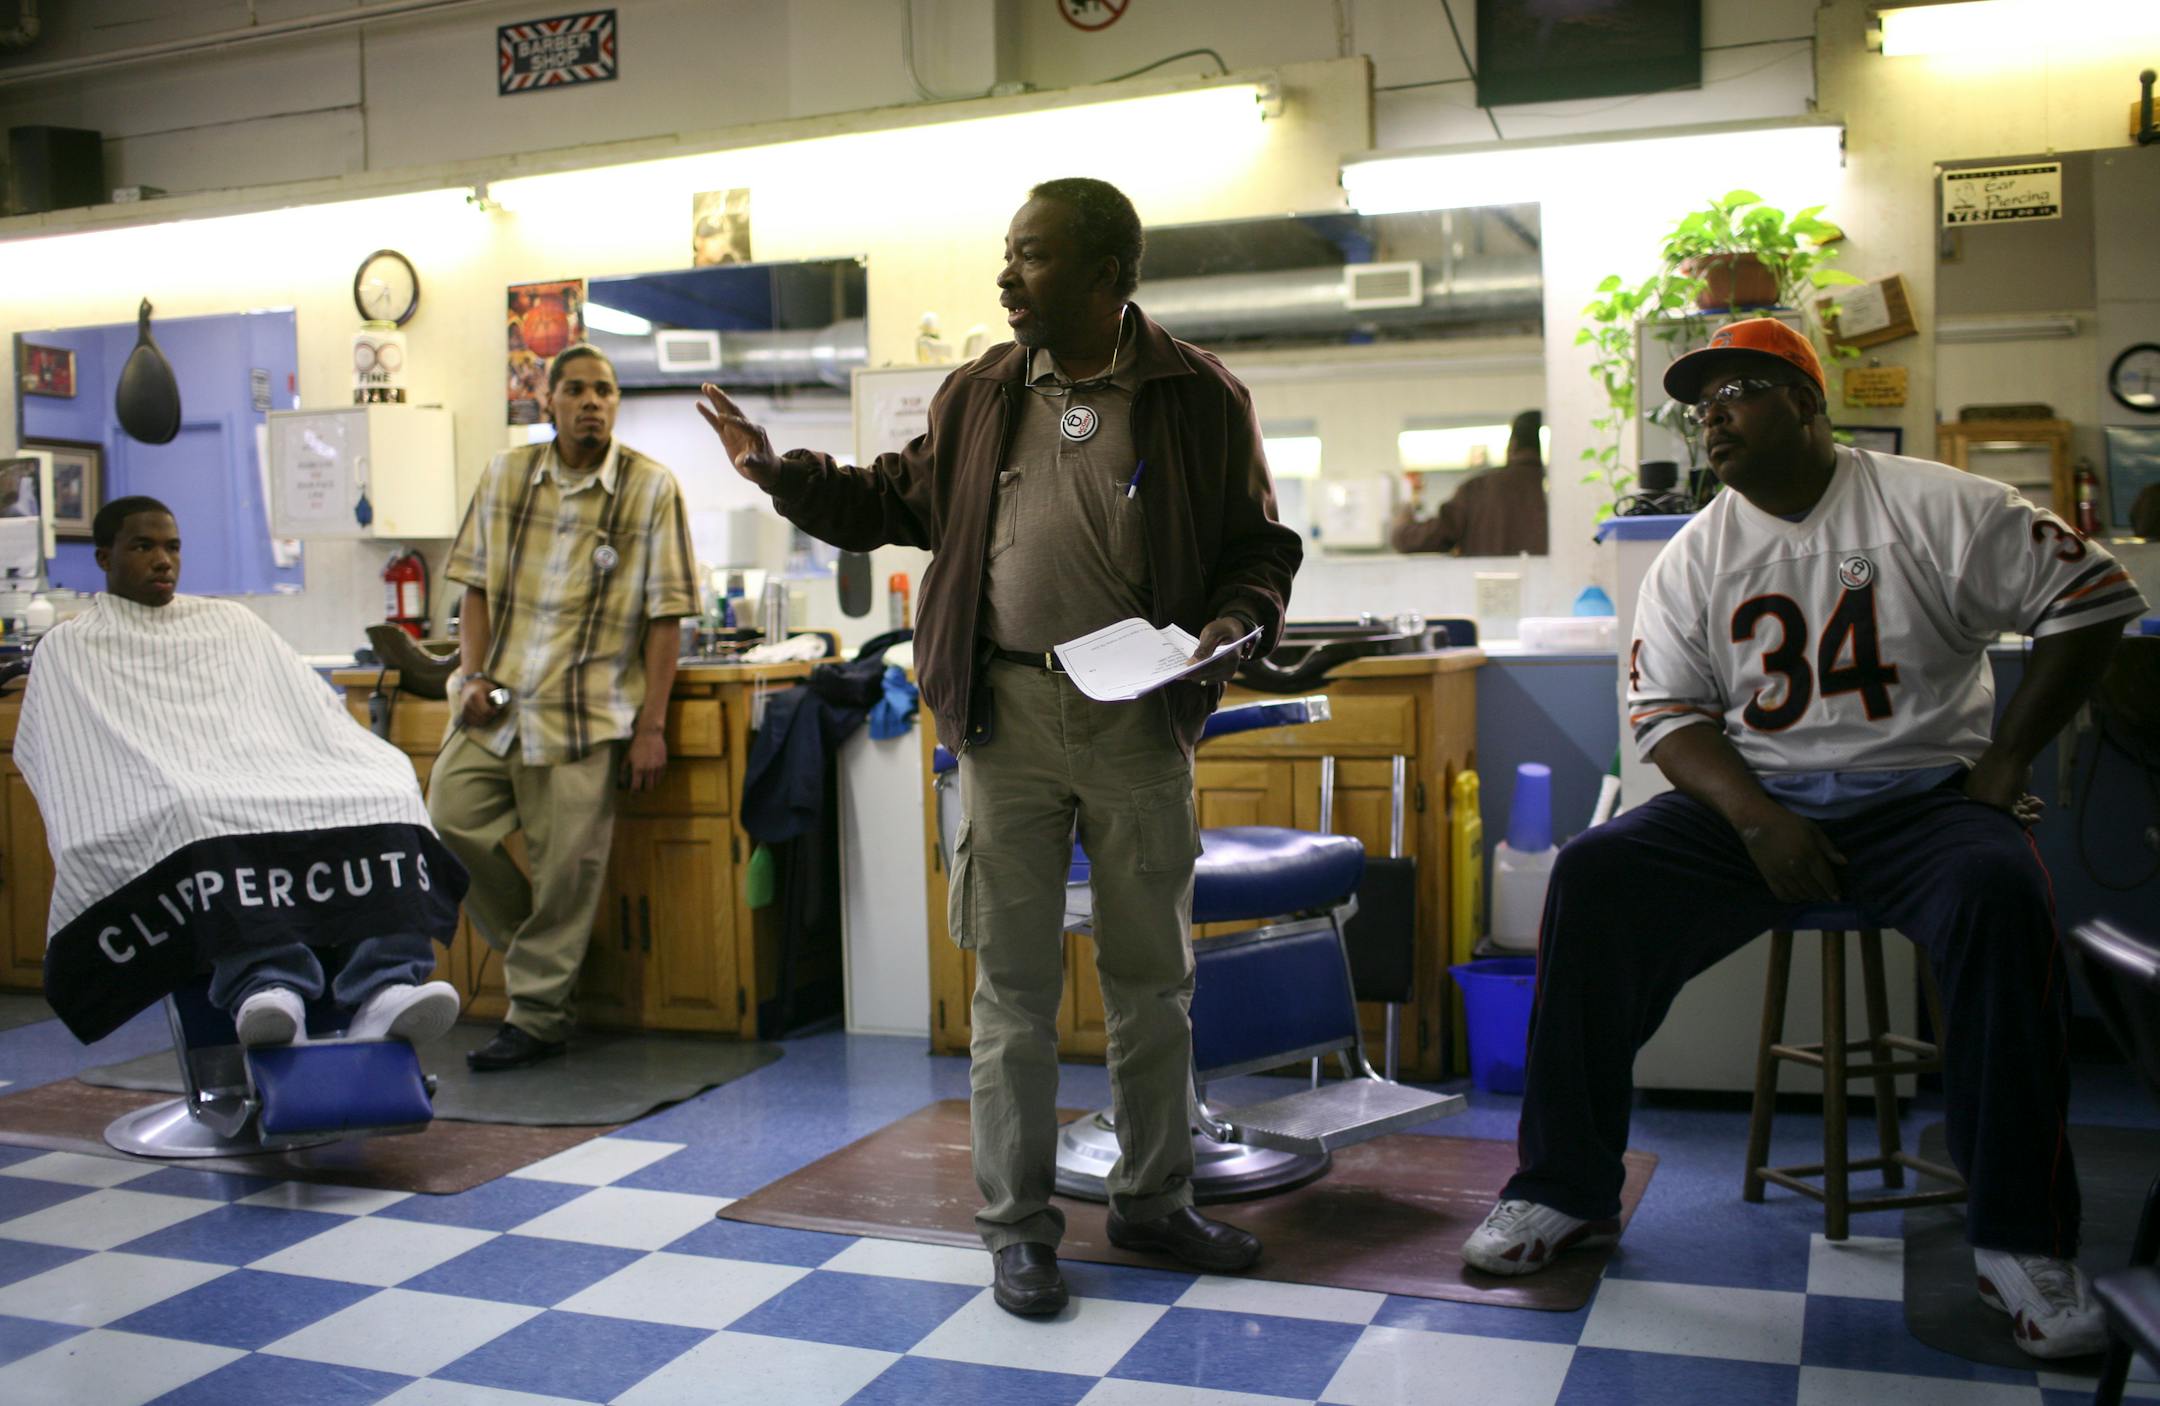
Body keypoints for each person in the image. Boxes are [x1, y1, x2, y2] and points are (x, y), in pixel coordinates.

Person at [1460, 319, 2147, 1360]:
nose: (1712, 418)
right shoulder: (1697, 551)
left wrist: (2006, 765)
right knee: (1595, 875)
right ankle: (1564, 1187)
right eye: (1700, 404)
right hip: (1759, 801)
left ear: (1807, 402)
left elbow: (2092, 598)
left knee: (2003, 895)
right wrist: (1757, 818)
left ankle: (2020, 1239)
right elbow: (1668, 715)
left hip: (1921, 800)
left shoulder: (1935, 503)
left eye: (1736, 391)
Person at [696, 177, 1303, 1318]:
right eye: (1008, 256)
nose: (1005, 278)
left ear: (1108, 274)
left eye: (1029, 257)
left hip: (1138, 721)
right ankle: (1019, 1230)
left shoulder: (1196, 394)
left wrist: (1237, 622)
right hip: (1004, 718)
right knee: (1011, 991)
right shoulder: (979, 391)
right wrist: (780, 473)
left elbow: (1258, 545)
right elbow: (895, 498)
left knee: (1151, 983)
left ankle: (1152, 1198)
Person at [19, 496, 463, 1047]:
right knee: (201, 811)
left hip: (258, 774)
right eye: (143, 547)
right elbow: (76, 756)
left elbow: (307, 712)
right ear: (104, 558)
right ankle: (266, 985)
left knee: (387, 785)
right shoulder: (70, 646)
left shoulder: (228, 621)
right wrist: (186, 775)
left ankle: (384, 987)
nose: (163, 561)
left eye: (172, 547)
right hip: (180, 792)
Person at [429, 345, 698, 1072]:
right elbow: (475, 589)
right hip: (500, 705)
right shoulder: (505, 475)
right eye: (575, 389)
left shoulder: (650, 488)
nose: (591, 402)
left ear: (616, 403)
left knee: (565, 878)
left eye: (604, 391)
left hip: (588, 713)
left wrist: (652, 727)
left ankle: (540, 1015)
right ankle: (546, 962)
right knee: (447, 822)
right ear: (546, 400)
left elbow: (667, 616)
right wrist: (473, 674)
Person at [1388, 409, 1548, 556]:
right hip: (1558, 586)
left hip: (1487, 586)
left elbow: (1420, 539)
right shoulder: (1559, 490)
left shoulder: (1478, 490)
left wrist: (1403, 519)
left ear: (1512, 445)